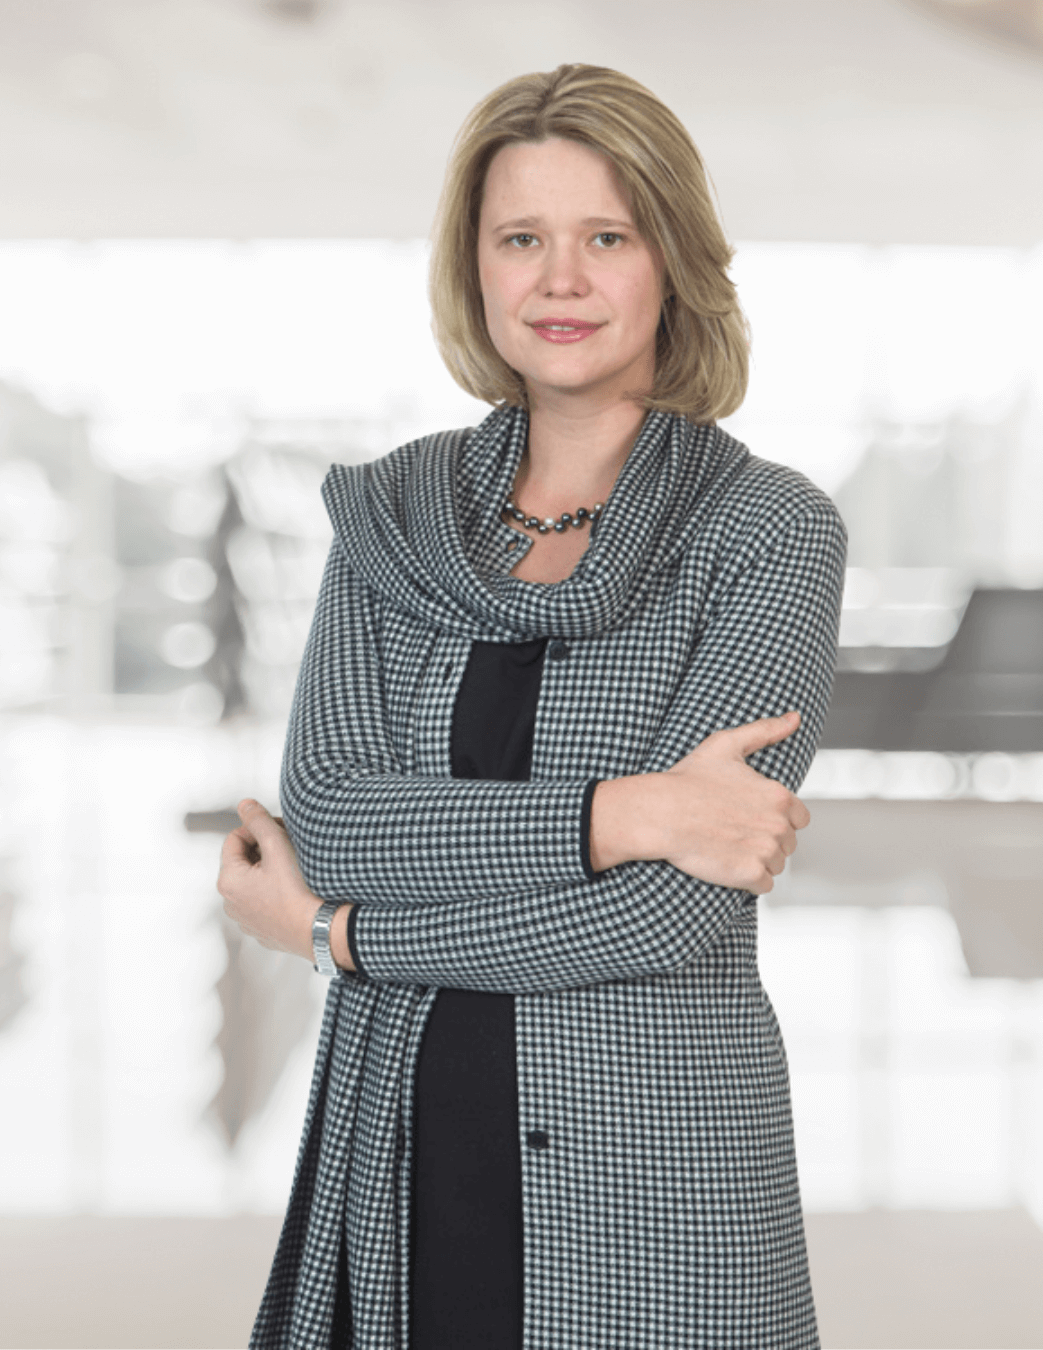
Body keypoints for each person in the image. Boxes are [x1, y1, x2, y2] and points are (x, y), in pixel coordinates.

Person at [217, 62, 846, 1350]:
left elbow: (672, 908)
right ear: (478, 269)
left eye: (604, 237)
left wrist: (340, 942)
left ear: (670, 261)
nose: (560, 280)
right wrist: (632, 810)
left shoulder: (769, 530)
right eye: (522, 239)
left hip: (657, 1168)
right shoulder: (393, 518)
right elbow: (335, 822)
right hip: (402, 1139)